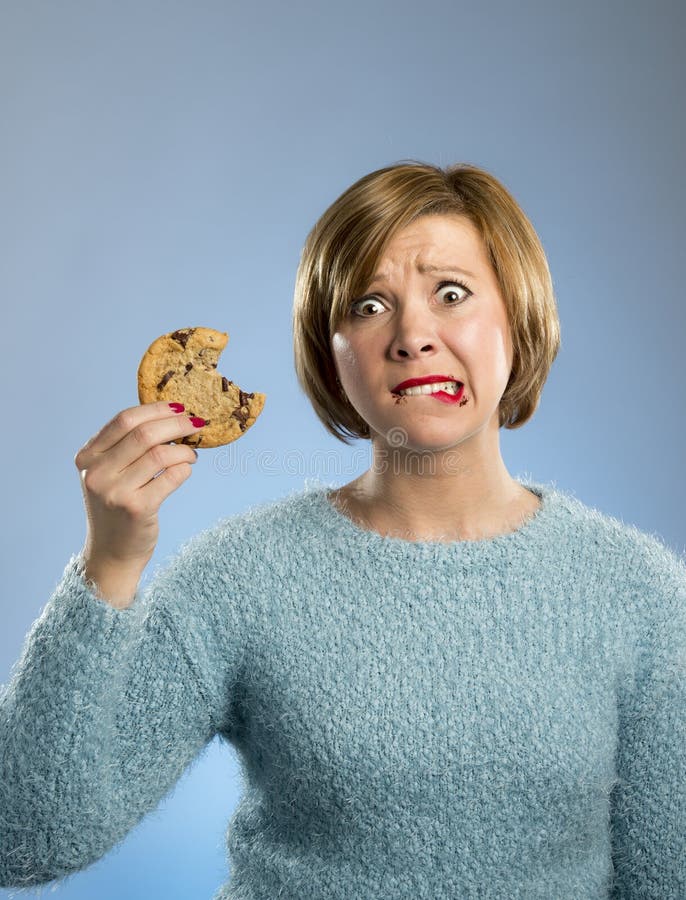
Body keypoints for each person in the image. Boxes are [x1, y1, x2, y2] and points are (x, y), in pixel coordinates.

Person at [1, 161, 684, 899]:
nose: (412, 335)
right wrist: (109, 564)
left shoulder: (639, 593)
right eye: (367, 305)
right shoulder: (241, 577)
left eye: (450, 293)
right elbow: (26, 838)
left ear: (519, 316)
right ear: (331, 356)